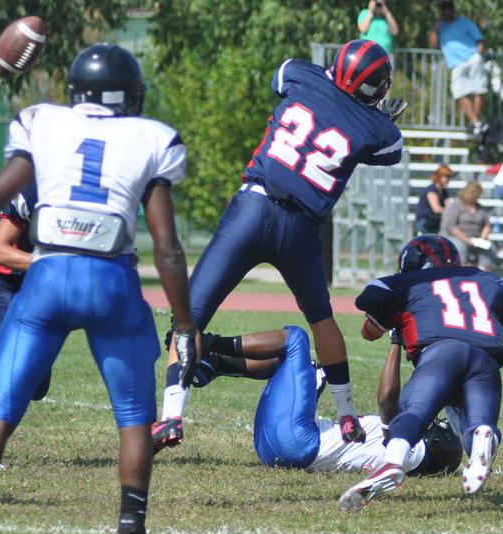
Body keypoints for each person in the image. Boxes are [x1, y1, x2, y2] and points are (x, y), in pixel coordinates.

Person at [0, 43, 198, 534]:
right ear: (130, 95)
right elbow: (167, 247)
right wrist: (184, 322)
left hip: (47, 278)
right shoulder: (150, 137)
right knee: (133, 419)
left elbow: (3, 192)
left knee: (1, 409)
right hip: (111, 281)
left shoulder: (43, 121)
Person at [151, 39, 405, 453]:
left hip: (253, 209)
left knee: (190, 318)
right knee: (322, 319)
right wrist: (368, 113)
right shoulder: (380, 130)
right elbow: (388, 149)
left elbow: (283, 77)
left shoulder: (300, 75)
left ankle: (172, 418)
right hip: (302, 229)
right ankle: (346, 416)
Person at [337, 235, 503, 511]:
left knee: (414, 411)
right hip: (486, 361)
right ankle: (484, 433)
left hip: (441, 355)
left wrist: (394, 325)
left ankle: (392, 463)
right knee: (476, 425)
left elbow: (369, 332)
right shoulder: (482, 280)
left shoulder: (408, 285)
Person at [177, 325, 463, 476]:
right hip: (274, 449)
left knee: (295, 338)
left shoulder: (408, 450)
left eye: (435, 427)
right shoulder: (403, 458)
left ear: (435, 444)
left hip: (297, 442)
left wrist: (396, 341)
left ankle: (212, 343)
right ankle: (215, 365)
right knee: (295, 365)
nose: (428, 422)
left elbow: (387, 398)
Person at [0, 185, 51, 402]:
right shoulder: (33, 189)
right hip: (1, 280)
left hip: (32, 284)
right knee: (21, 371)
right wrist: (53, 264)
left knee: (37, 385)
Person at [429, 0, 489, 136]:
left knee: (478, 90)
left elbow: (480, 40)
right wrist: (435, 28)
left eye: (449, 8)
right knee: (458, 92)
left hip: (473, 58)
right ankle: (477, 123)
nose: (447, 11)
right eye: (444, 8)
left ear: (453, 10)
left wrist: (478, 56)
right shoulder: (440, 26)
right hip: (456, 64)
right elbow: (433, 44)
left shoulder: (466, 22)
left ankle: (475, 124)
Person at [440, 181, 495, 271]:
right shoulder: (455, 205)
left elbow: (487, 225)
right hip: (454, 237)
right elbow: (451, 227)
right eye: (475, 194)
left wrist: (483, 238)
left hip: (475, 239)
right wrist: (467, 240)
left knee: (489, 247)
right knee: (460, 247)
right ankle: (462, 273)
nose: (477, 197)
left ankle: (483, 274)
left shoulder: (479, 208)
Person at [357, 0, 399, 67]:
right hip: (368, 55)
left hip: (386, 55)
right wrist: (370, 12)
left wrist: (387, 13)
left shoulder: (386, 16)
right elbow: (363, 29)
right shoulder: (364, 13)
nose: (378, 5)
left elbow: (395, 31)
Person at [415, 164, 452, 234]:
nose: (448, 179)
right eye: (446, 176)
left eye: (449, 176)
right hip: (425, 222)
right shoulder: (431, 190)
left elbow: (448, 207)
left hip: (435, 222)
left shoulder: (444, 192)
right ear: (439, 176)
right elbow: (437, 209)